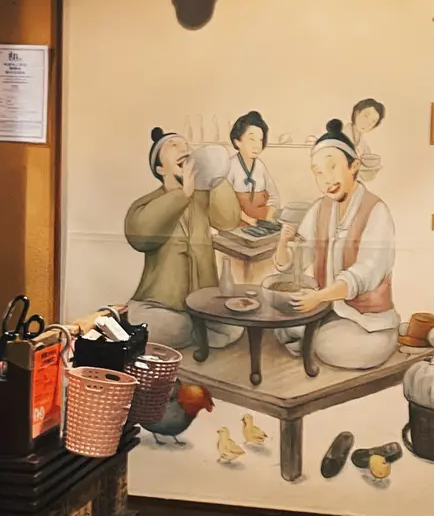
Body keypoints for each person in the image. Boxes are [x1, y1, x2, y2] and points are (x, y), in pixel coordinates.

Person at [272, 119, 399, 370]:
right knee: (281, 326)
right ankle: (310, 337)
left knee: (331, 345)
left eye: (332, 167)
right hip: (328, 311)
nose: (326, 178)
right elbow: (298, 262)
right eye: (318, 172)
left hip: (368, 324)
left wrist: (318, 296)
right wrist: (284, 243)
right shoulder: (320, 208)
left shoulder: (376, 210)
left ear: (354, 166)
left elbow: (365, 272)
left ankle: (311, 340)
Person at [124, 127, 243, 349]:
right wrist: (182, 195)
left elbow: (229, 221)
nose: (184, 149)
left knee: (235, 327)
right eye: (174, 145)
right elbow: (140, 236)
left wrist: (215, 178)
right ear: (160, 168)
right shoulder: (147, 203)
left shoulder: (203, 196)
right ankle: (198, 331)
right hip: (158, 305)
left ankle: (197, 329)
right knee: (171, 327)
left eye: (186, 145)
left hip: (203, 302)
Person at [227, 110, 280, 226]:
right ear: (237, 141)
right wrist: (250, 221)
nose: (257, 145)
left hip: (261, 224)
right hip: (237, 225)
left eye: (260, 140)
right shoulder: (229, 167)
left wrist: (268, 218)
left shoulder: (260, 166)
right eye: (252, 139)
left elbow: (274, 197)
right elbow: (225, 204)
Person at [344, 98, 386, 182]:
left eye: (372, 122)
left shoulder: (363, 143)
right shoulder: (342, 134)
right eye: (366, 116)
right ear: (356, 112)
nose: (367, 123)